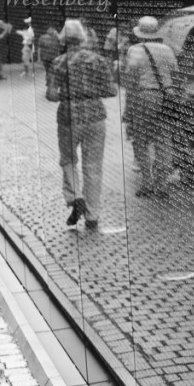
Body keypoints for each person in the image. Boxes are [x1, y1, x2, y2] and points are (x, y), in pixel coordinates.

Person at [48, 19, 117, 230]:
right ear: (82, 37)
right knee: (93, 166)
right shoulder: (98, 60)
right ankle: (92, 215)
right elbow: (112, 91)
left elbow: (51, 95)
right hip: (95, 116)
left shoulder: (58, 62)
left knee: (68, 160)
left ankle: (75, 195)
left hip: (68, 117)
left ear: (63, 39)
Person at [122, 16, 178, 197]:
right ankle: (161, 185)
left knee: (140, 141)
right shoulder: (168, 50)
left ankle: (147, 183)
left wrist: (127, 110)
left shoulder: (134, 50)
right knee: (164, 141)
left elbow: (130, 81)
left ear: (139, 33)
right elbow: (175, 75)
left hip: (143, 96)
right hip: (166, 97)